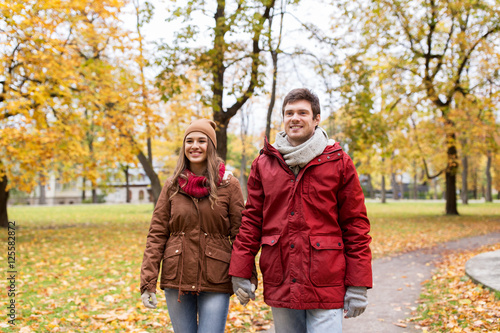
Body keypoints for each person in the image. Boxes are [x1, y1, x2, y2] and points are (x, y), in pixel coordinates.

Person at [228, 88, 372, 333]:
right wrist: (240, 271)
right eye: (289, 113)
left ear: (316, 119)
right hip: (281, 276)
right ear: (283, 119)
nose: (295, 118)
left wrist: (358, 285)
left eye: (302, 113)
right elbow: (252, 220)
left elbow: (355, 224)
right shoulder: (264, 162)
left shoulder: (338, 161)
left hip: (326, 278)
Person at [140, 119, 256, 333]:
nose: (195, 146)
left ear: (210, 145)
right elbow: (156, 235)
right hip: (178, 279)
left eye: (201, 140)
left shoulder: (229, 185)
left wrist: (247, 276)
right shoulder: (172, 186)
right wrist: (148, 282)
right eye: (189, 140)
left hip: (216, 277)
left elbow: (241, 235)